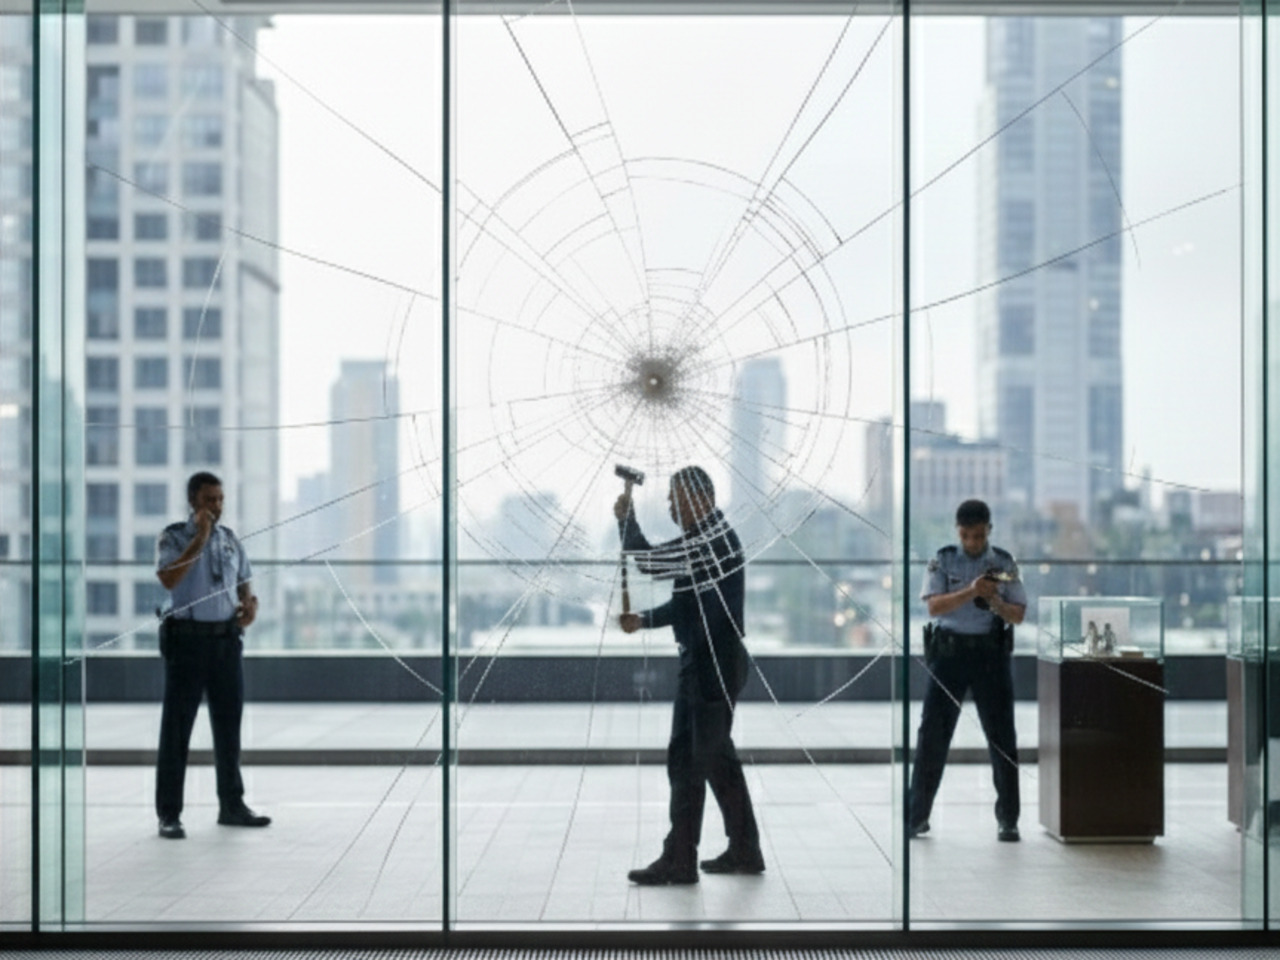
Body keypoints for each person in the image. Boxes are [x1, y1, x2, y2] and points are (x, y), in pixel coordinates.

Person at [615, 466, 763, 885]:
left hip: (711, 665)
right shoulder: (707, 541)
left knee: (687, 762)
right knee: (715, 761)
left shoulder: (711, 541)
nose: (670, 507)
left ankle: (681, 859)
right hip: (709, 661)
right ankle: (744, 849)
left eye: (675, 500)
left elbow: (648, 562)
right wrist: (643, 620)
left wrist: (626, 521)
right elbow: (685, 606)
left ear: (700, 499)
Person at [154, 471, 270, 839]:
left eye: (220, 500)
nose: (216, 507)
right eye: (209, 500)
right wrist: (200, 539)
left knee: (229, 728)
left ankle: (232, 805)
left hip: (225, 643)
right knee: (177, 731)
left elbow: (244, 584)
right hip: (187, 643)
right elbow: (169, 579)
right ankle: (169, 814)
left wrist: (249, 606)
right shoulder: (173, 537)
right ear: (193, 502)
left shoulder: (231, 540)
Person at [908, 498, 1026, 843]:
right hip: (950, 655)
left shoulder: (1004, 563)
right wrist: (970, 591)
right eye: (966, 535)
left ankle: (1009, 819)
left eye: (978, 535)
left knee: (1002, 738)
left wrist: (996, 602)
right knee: (932, 736)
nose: (972, 542)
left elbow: (1018, 613)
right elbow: (934, 606)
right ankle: (917, 816)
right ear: (957, 532)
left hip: (990, 655)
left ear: (989, 529)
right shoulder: (943, 560)